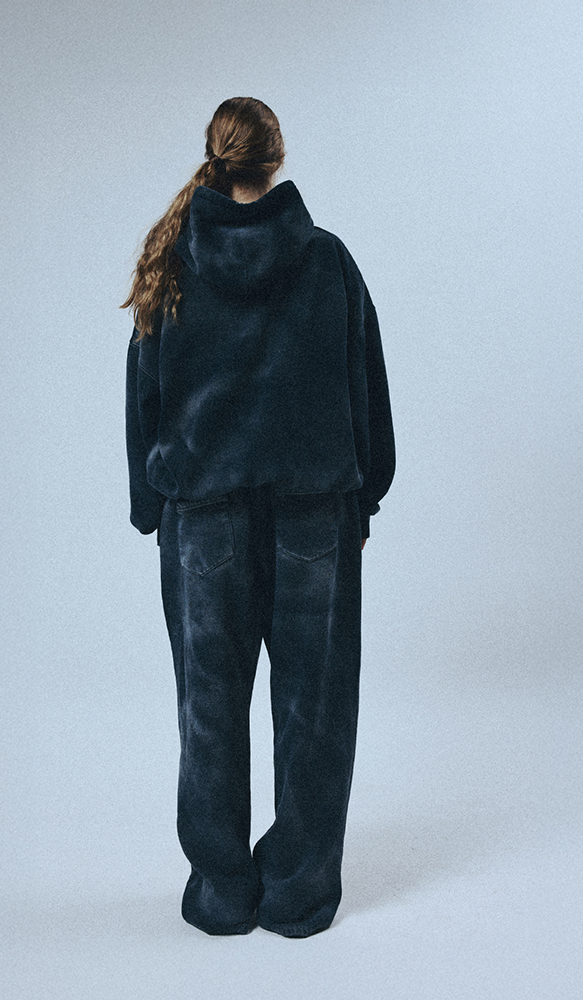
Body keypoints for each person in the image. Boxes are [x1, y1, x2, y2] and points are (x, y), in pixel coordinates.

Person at [123, 97, 395, 937]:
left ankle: (221, 893)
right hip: (315, 513)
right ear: (276, 159)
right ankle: (299, 893)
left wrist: (149, 504)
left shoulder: (173, 263)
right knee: (315, 709)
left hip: (204, 520)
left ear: (218, 157)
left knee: (209, 709)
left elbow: (144, 394)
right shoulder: (328, 261)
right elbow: (366, 384)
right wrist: (366, 493)